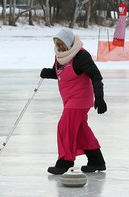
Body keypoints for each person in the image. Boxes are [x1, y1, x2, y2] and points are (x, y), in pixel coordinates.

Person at [40, 28, 107, 175]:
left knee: (65, 127)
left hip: (80, 99)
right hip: (69, 99)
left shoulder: (81, 55)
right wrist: (47, 73)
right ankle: (97, 160)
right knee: (81, 130)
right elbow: (59, 73)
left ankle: (65, 161)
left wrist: (100, 98)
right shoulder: (60, 56)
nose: (60, 47)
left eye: (63, 44)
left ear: (69, 43)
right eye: (58, 44)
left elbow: (96, 76)